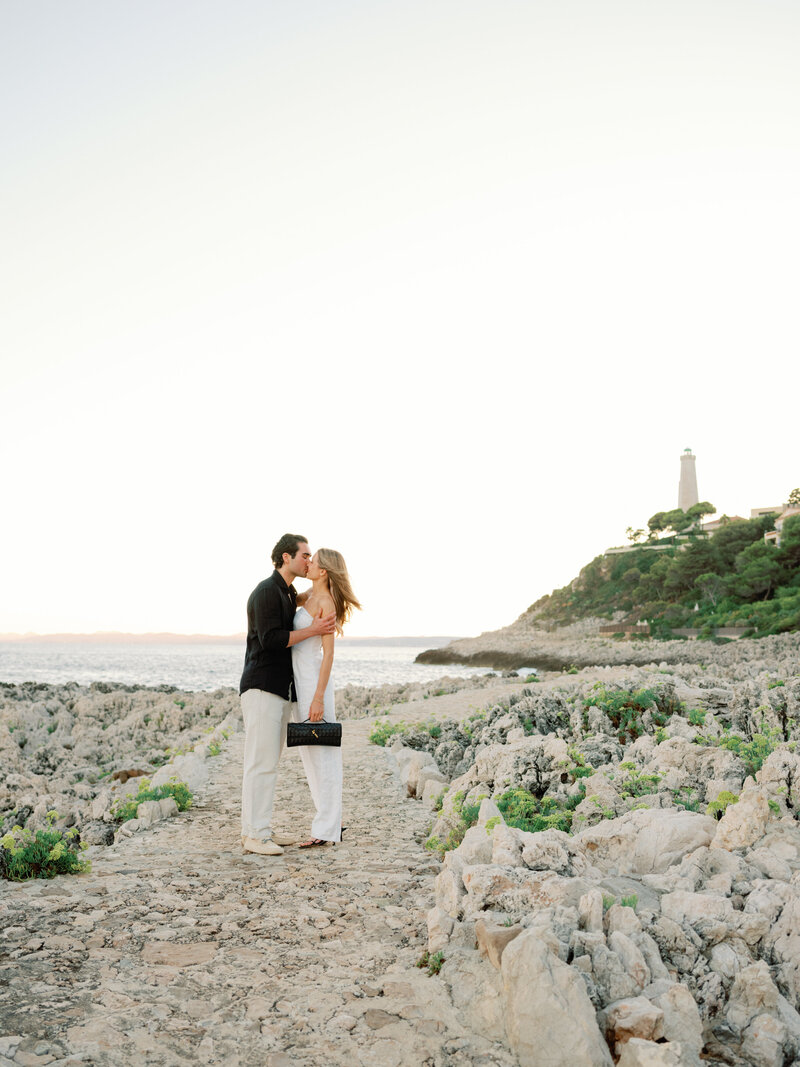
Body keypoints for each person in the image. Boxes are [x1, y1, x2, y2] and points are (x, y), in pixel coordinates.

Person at [239, 533, 336, 856]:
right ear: (286, 557)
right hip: (262, 687)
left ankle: (258, 830)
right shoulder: (267, 591)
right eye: (305, 555)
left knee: (268, 763)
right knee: (260, 763)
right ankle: (254, 836)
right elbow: (270, 640)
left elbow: (318, 595)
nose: (308, 561)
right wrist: (314, 630)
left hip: (281, 690)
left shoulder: (288, 592)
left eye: (311, 558)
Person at [291, 548, 361, 848]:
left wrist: (318, 698)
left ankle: (326, 829)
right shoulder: (308, 595)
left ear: (324, 571)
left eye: (314, 560)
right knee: (310, 755)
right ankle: (332, 821)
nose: (308, 563)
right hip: (299, 682)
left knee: (325, 755)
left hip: (314, 683)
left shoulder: (326, 603)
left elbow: (329, 654)